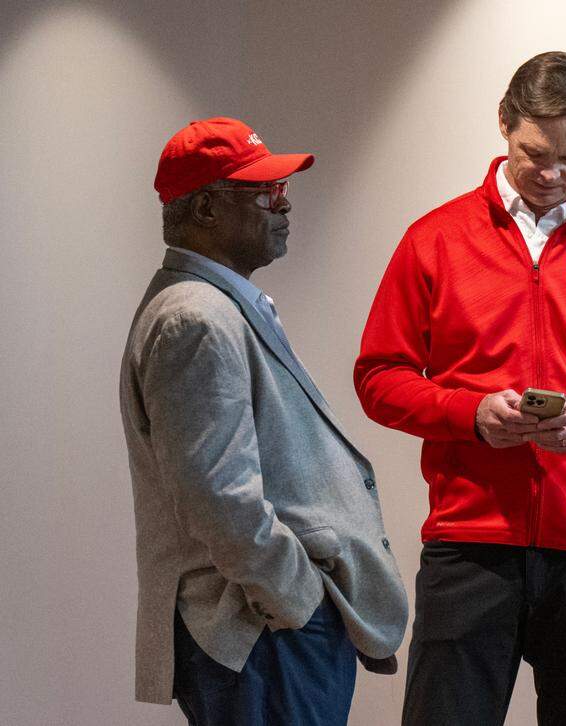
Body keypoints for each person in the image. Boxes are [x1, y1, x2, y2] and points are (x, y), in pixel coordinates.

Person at [355, 52, 566, 725]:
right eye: (535, 153)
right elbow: (379, 378)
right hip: (470, 544)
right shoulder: (435, 241)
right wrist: (470, 412)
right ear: (504, 125)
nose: (552, 174)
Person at [119, 117, 408, 725]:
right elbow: (219, 496)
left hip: (269, 632)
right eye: (263, 192)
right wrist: (300, 601)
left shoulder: (216, 307)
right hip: (259, 633)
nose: (284, 204)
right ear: (204, 210)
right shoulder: (195, 319)